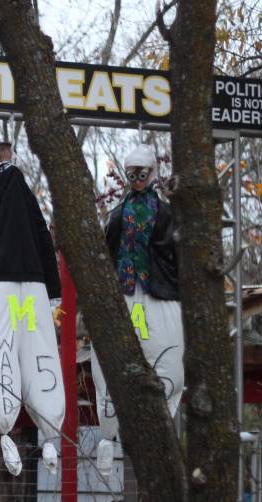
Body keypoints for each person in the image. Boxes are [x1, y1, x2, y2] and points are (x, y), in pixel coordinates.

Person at [0, 142, 64, 476]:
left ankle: (4, 427)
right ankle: (50, 433)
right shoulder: (29, 199)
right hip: (34, 288)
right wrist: (53, 290)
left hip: (1, 285)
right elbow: (44, 241)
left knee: (1, 351)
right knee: (38, 350)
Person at [90, 145, 182, 472]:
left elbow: (176, 254)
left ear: (152, 173)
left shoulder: (167, 213)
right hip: (131, 297)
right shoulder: (118, 214)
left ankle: (160, 432)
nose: (138, 179)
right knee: (118, 357)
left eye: (142, 173)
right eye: (132, 174)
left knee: (168, 360)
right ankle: (109, 434)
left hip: (158, 296)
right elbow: (107, 253)